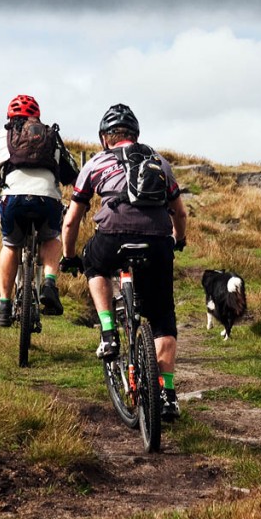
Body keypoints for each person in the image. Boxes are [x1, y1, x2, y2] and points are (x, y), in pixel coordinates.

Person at [60, 103, 188, 420]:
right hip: (157, 242)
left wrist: (69, 256)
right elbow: (180, 213)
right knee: (162, 318)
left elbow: (71, 220)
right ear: (136, 135)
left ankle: (108, 331)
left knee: (94, 264)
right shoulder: (159, 161)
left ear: (105, 137)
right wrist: (177, 239)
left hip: (112, 238)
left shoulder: (95, 163)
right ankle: (167, 394)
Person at [0, 94, 78, 326]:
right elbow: (75, 178)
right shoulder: (52, 137)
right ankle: (49, 284)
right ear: (37, 117)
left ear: (9, 117)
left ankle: (4, 306)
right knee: (51, 238)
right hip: (47, 200)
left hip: (12, 201)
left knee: (10, 245)